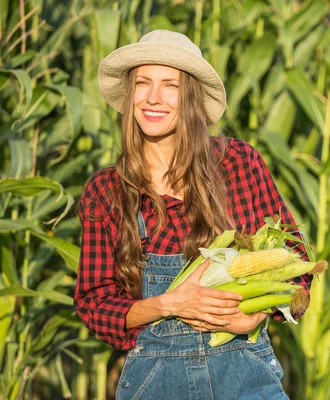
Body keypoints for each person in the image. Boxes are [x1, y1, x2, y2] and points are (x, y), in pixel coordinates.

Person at [74, 30, 312, 399]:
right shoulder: (107, 191)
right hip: (157, 382)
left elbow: (296, 266)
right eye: (143, 83)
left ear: (191, 98)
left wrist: (256, 315)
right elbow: (95, 305)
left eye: (170, 85)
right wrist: (169, 303)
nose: (153, 98)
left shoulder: (237, 164)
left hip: (244, 375)